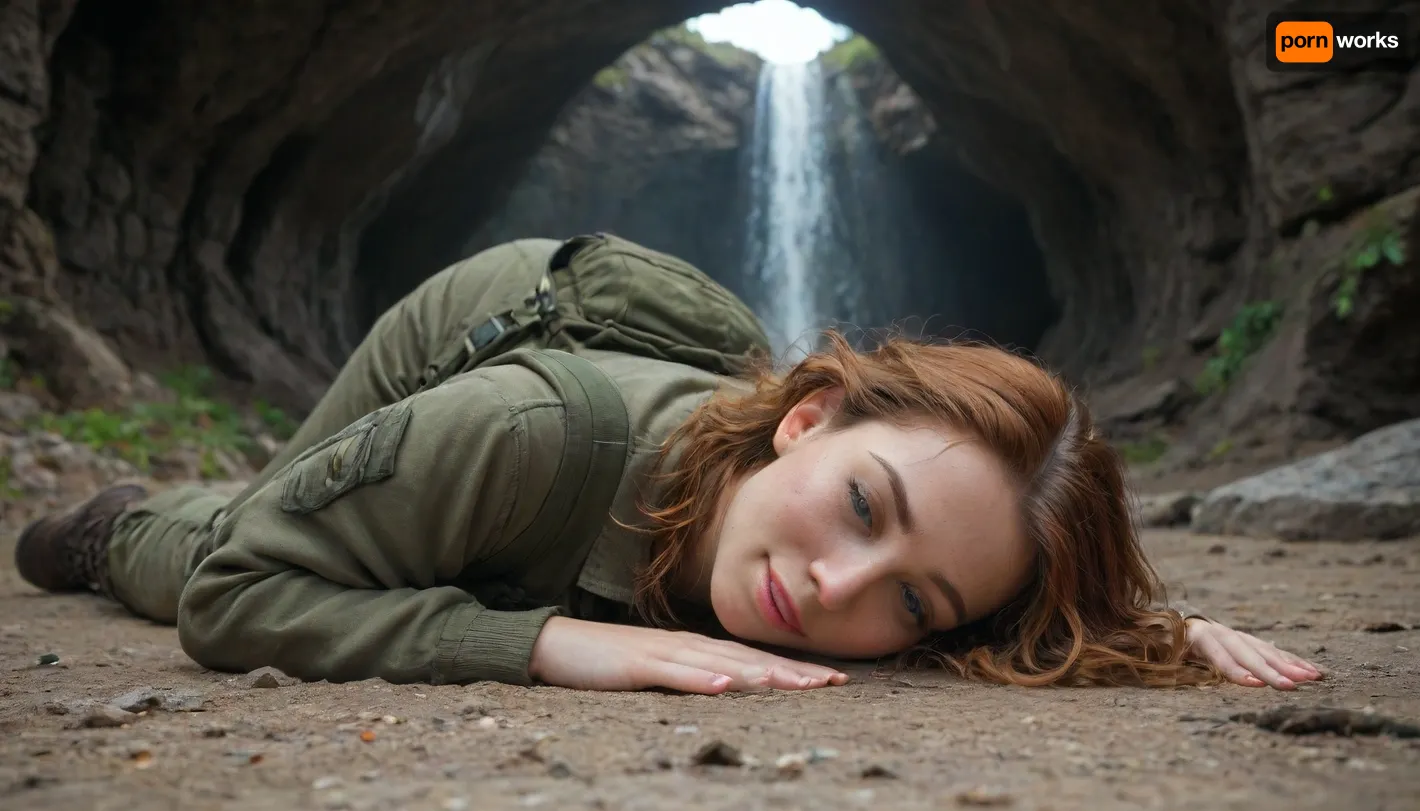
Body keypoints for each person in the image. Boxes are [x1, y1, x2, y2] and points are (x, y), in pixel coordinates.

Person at [14, 234, 1322, 695]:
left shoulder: (891, 556)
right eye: (868, 504)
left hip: (694, 371)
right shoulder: (525, 429)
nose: (837, 585)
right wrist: (540, 643)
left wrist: (1128, 627)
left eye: (915, 601)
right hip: (497, 330)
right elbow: (243, 594)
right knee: (264, 531)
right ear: (808, 418)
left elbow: (977, 584)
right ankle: (119, 518)